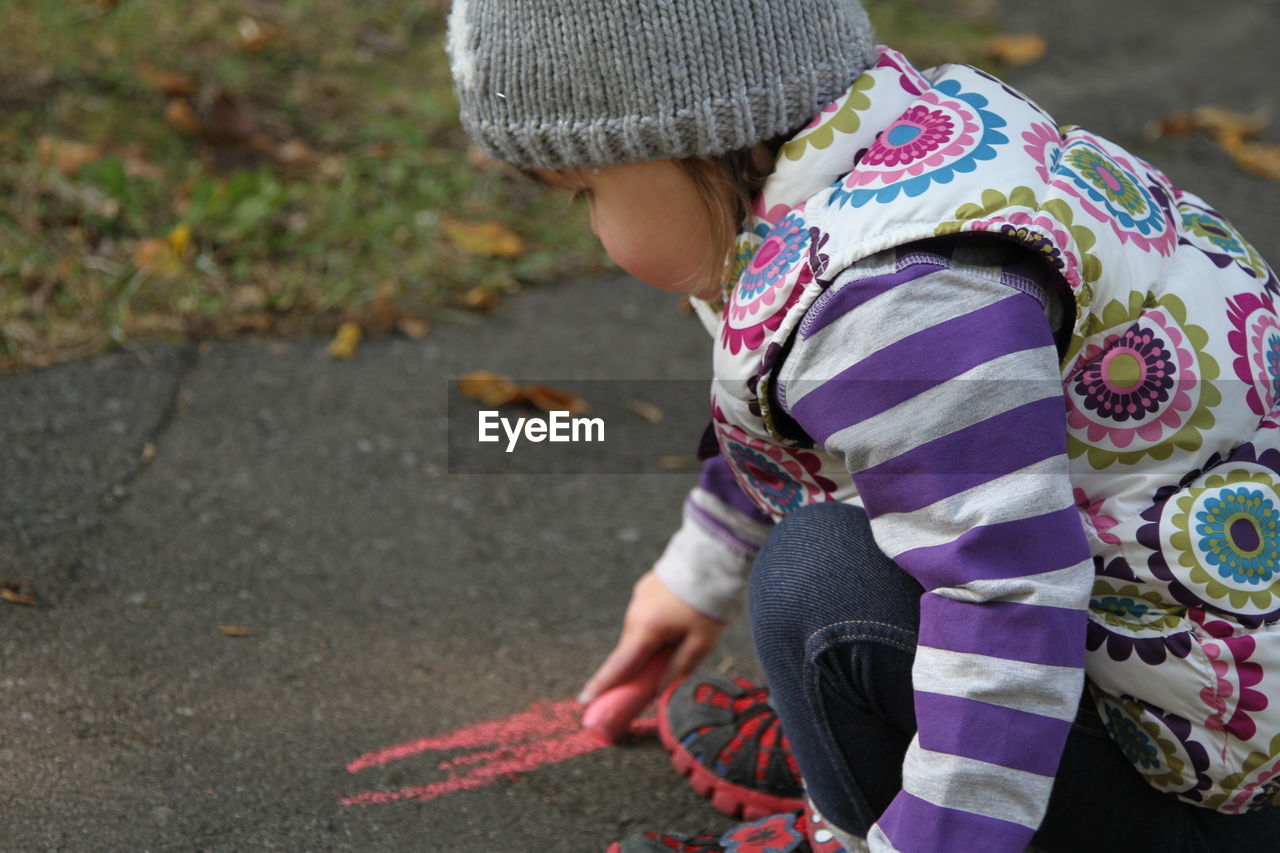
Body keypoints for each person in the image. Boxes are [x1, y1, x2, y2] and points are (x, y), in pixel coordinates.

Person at [446, 2, 1280, 851]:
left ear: (693, 137)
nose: (593, 230)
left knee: (818, 582)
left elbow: (1009, 609)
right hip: (1210, 678)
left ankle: (877, 809)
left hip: (1211, 787)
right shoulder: (894, 156)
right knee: (847, 553)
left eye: (591, 191)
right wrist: (696, 571)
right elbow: (818, 428)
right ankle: (869, 749)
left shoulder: (895, 298)